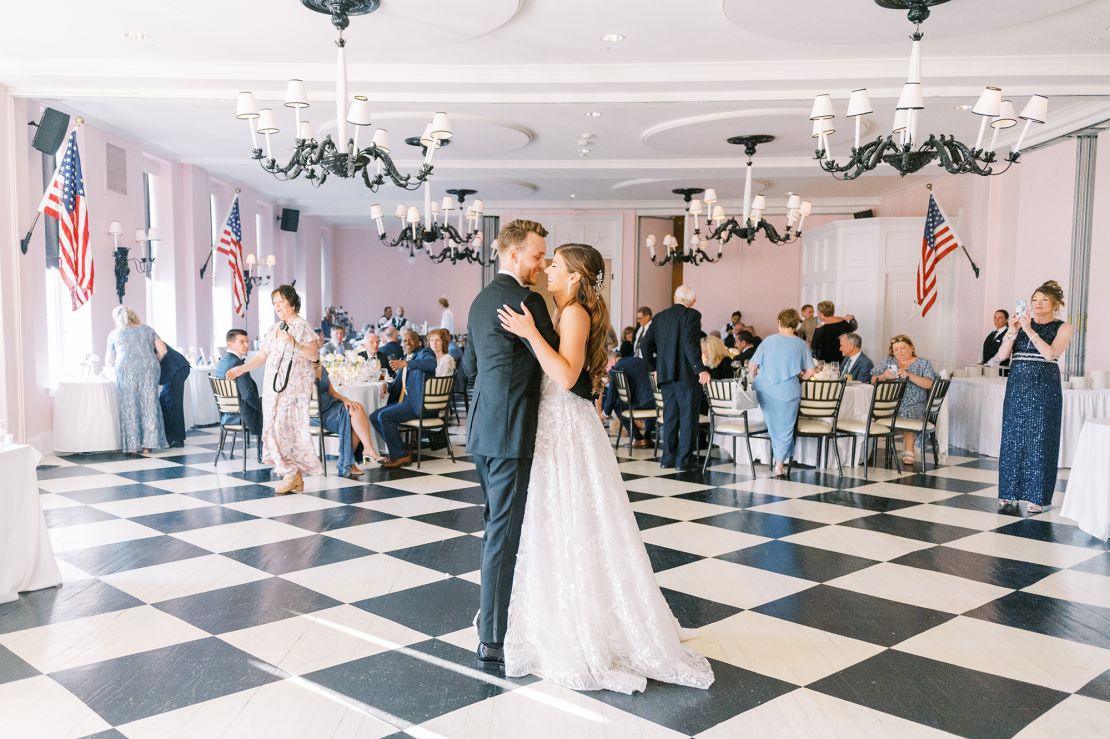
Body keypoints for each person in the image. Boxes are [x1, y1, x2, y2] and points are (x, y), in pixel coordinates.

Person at [496, 240, 713, 694]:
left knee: (574, 520)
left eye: (556, 265)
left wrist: (530, 333)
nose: (548, 270)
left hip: (567, 428)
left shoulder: (574, 313)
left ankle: (586, 626)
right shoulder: (566, 310)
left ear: (575, 276)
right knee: (560, 520)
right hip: (558, 424)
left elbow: (566, 376)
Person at [462, 220, 594, 676]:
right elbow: (565, 370)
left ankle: (502, 619)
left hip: (481, 431)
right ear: (514, 254)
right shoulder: (529, 301)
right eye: (538, 256)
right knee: (502, 535)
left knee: (495, 528)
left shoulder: (479, 301)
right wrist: (591, 388)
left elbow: (469, 367)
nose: (541, 265)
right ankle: (492, 639)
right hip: (512, 431)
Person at [225, 285, 322, 494]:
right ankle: (294, 476)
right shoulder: (275, 328)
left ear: (292, 303)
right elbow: (262, 356)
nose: (277, 306)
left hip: (294, 391)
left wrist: (294, 343)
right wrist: (241, 369)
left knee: (287, 430)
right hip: (273, 389)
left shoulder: (303, 327)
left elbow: (314, 355)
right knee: (273, 428)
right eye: (274, 303)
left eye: (281, 302)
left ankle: (291, 474)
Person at [993, 281, 1073, 513]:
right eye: (1035, 299)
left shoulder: (1064, 327)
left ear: (1055, 304)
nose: (1038, 304)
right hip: (1017, 386)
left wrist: (1029, 330)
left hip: (1044, 387)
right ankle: (1008, 491)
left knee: (1041, 439)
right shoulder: (1020, 325)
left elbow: (1051, 354)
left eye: (1044, 300)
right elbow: (1001, 356)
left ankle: (1038, 496)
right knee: (1012, 437)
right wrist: (1012, 329)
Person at [639, 285, 711, 470]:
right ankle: (683, 461)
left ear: (674, 298)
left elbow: (645, 345)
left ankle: (667, 459)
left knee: (670, 417)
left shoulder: (660, 317)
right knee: (688, 417)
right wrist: (700, 369)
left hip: (665, 375)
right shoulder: (692, 315)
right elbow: (689, 343)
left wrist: (653, 368)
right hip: (686, 376)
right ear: (692, 301)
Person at [750, 308, 816, 478]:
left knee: (773, 426)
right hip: (788, 391)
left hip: (766, 389)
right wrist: (800, 378)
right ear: (796, 325)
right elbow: (810, 371)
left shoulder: (768, 341)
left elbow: (753, 366)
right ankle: (779, 463)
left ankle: (776, 457)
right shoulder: (801, 344)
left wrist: (758, 377)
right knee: (785, 427)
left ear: (779, 322)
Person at [367, 329, 437, 468]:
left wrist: (407, 364)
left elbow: (431, 364)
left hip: (418, 403)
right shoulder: (404, 359)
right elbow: (397, 384)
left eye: (411, 339)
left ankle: (400, 455)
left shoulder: (424, 352)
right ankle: (401, 449)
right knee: (374, 417)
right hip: (405, 402)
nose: (407, 342)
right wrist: (386, 385)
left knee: (384, 416)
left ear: (419, 342)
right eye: (404, 341)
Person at [105, 306, 167, 453]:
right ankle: (148, 446)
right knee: (149, 403)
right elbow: (163, 350)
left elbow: (108, 361)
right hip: (149, 367)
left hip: (126, 368)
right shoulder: (148, 329)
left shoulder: (115, 333)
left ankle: (133, 446)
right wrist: (153, 361)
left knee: (130, 404)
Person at [872, 334, 937, 466]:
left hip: (915, 404)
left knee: (909, 411)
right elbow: (873, 379)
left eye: (903, 348)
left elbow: (930, 384)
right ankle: (869, 450)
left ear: (911, 348)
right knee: (871, 411)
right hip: (891, 404)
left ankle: (909, 447)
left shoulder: (923, 363)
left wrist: (909, 375)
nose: (900, 352)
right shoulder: (889, 362)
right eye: (896, 349)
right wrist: (884, 376)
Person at [312, 361, 377, 475]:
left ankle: (366, 449)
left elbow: (332, 392)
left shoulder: (322, 368)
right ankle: (348, 462)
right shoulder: (301, 371)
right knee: (354, 422)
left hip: (332, 406)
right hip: (317, 414)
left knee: (356, 407)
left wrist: (345, 399)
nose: (317, 353)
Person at [214, 329, 262, 440]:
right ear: (230, 344)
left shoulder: (222, 361)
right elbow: (248, 395)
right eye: (242, 342)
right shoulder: (237, 364)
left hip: (227, 415)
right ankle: (266, 449)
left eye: (247, 342)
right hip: (243, 416)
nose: (246, 345)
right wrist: (263, 407)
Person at [603, 352, 655, 448]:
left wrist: (605, 413)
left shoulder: (616, 368)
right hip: (655, 402)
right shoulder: (638, 360)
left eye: (606, 366)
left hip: (641, 404)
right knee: (647, 397)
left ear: (612, 360)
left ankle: (638, 438)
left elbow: (611, 395)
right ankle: (647, 436)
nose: (607, 370)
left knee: (616, 404)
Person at [158, 342, 191, 448]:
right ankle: (169, 436)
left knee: (172, 402)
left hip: (177, 369)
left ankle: (177, 439)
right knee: (163, 400)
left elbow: (162, 352)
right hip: (174, 369)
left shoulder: (148, 337)